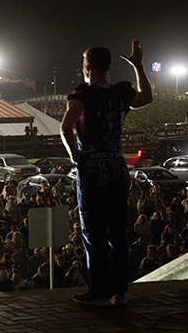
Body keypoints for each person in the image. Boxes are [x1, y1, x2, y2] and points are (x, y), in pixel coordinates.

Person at [60, 40, 153, 307]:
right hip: (117, 168)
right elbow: (146, 98)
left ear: (87, 68)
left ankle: (97, 290)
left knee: (93, 232)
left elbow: (66, 127)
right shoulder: (119, 94)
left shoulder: (82, 96)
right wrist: (138, 66)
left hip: (92, 170)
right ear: (109, 67)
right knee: (117, 232)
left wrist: (74, 153)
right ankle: (118, 291)